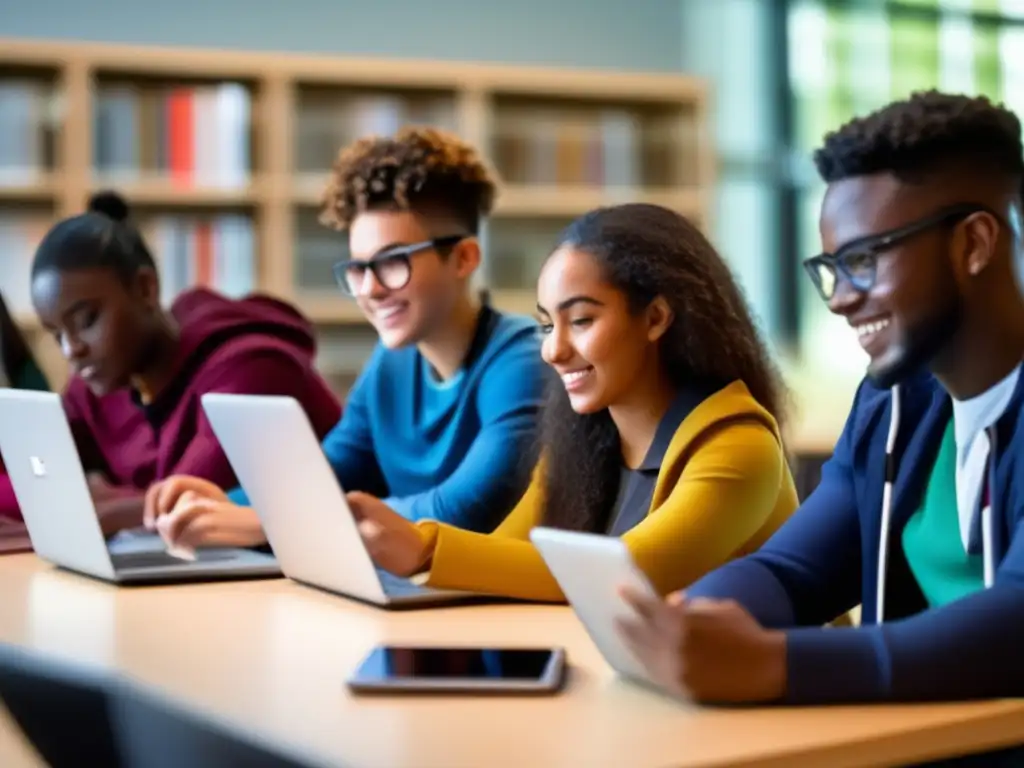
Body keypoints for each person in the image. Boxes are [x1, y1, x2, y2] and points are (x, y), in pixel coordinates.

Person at [616, 91, 1024, 710]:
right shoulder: (893, 404)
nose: (838, 298)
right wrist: (693, 619)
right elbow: (794, 571)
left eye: (862, 260)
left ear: (973, 243)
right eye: (833, 267)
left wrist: (777, 665)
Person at [339, 202, 800, 603]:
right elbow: (509, 554)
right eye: (546, 325)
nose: (553, 351)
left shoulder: (740, 446)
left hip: (778, 703)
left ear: (657, 317)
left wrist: (425, 547)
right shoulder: (584, 439)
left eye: (580, 320)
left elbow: (629, 573)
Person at [144, 127, 545, 549]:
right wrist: (219, 506)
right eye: (359, 268)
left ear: (464, 258)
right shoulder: (392, 364)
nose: (370, 289)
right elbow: (327, 473)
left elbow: (463, 511)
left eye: (393, 262)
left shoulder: (522, 362)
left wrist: (267, 523)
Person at [0, 191, 342, 530]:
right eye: (57, 334)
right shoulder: (100, 382)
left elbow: (185, 506)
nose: (71, 350)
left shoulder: (248, 366)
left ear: (146, 288)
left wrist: (98, 504)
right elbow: (29, 475)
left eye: (87, 320)